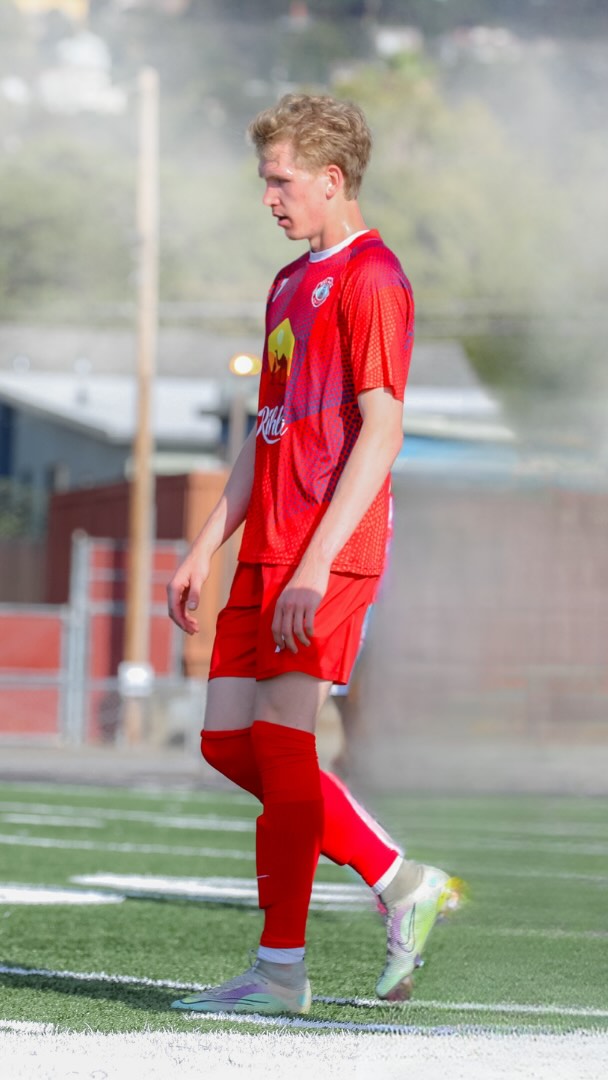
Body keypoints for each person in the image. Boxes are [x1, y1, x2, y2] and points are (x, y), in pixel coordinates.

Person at [167, 93, 462, 1017]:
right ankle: (398, 878)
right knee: (228, 740)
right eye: (266, 181)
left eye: (281, 181)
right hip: (267, 553)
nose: (270, 197)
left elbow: (383, 431)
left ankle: (281, 969)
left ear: (332, 182)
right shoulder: (288, 286)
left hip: (325, 555)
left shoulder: (376, 279)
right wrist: (205, 546)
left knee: (286, 745)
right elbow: (265, 431)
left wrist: (311, 565)